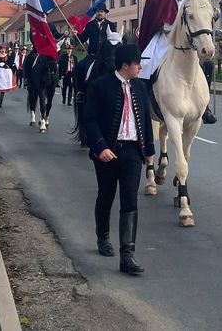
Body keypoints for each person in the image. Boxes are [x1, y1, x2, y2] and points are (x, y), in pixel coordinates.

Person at [84, 44, 154, 276]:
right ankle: (103, 237)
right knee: (106, 195)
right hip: (108, 153)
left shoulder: (141, 87)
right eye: (137, 64)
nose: (140, 67)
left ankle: (127, 255)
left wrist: (149, 150)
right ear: (125, 65)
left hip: (132, 152)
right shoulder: (100, 86)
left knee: (130, 200)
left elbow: (146, 119)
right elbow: (89, 120)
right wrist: (100, 147)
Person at [138, 0, 217, 124]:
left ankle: (205, 107)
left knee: (207, 65)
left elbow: (197, 13)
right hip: (162, 39)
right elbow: (151, 20)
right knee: (146, 66)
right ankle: (142, 103)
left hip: (185, 40)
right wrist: (163, 26)